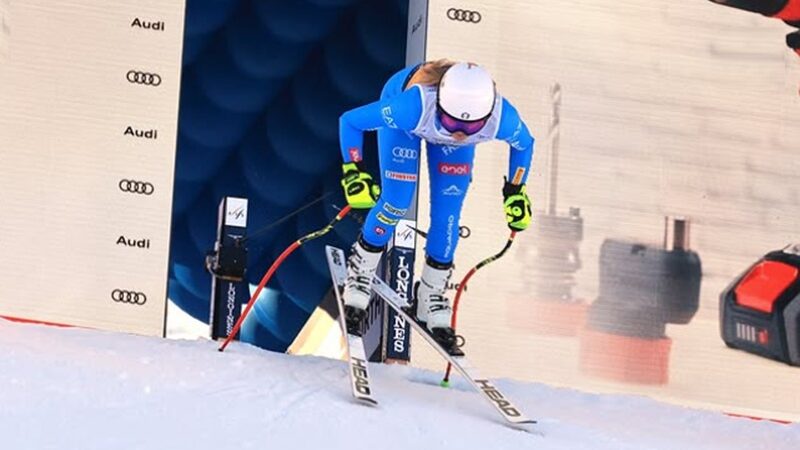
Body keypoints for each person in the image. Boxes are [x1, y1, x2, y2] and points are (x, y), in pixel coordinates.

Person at [337, 60, 535, 354]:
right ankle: (360, 274)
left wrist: (515, 192)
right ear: (442, 103)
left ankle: (430, 293)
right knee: (396, 200)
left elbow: (525, 144)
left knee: (448, 216)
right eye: (454, 123)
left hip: (435, 122)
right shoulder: (411, 106)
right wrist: (354, 171)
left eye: (471, 127)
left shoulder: (502, 118)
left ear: (488, 115)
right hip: (412, 123)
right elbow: (350, 121)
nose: (459, 133)